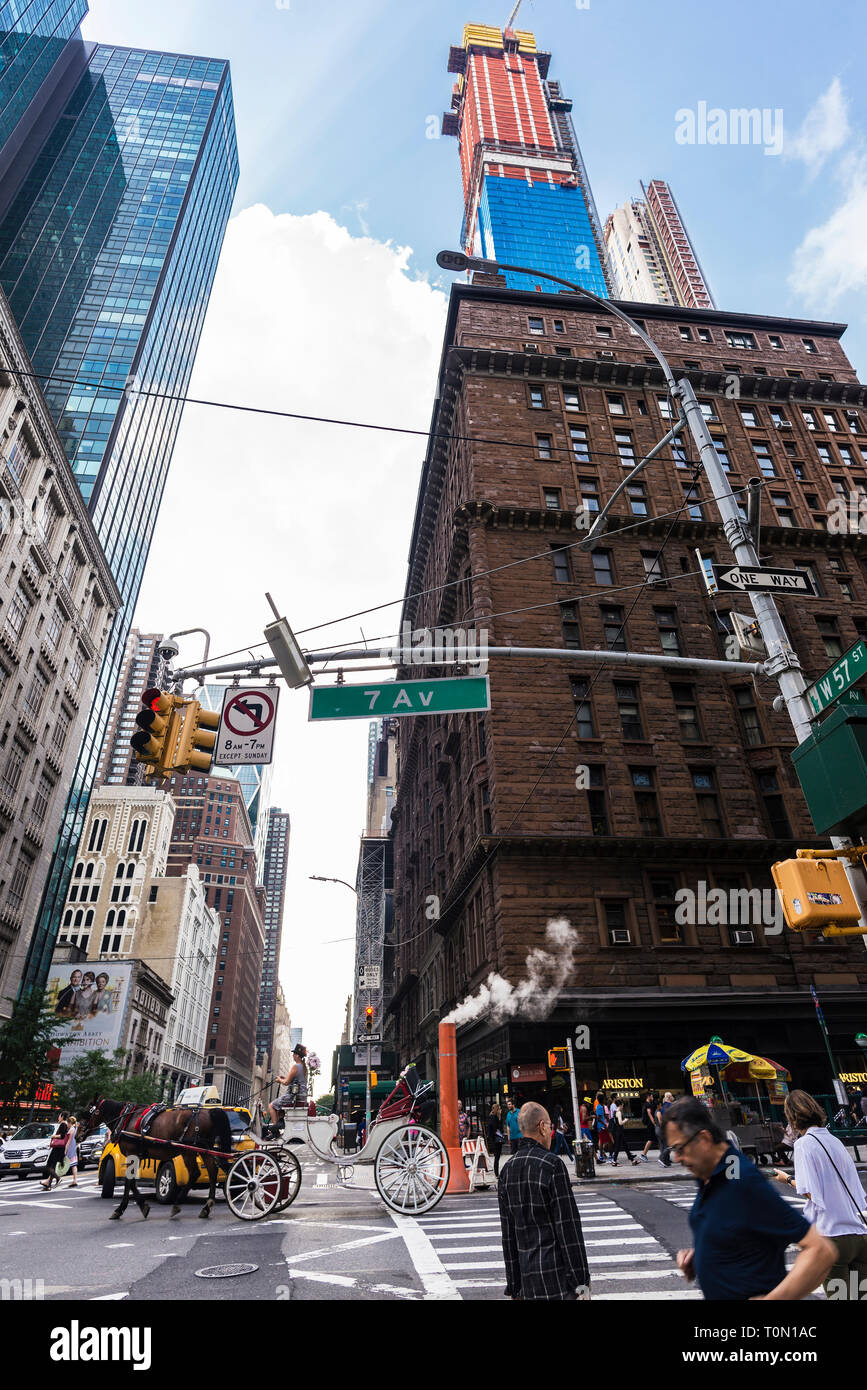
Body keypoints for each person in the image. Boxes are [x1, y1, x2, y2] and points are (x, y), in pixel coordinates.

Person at [663, 1096, 835, 1300]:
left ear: (704, 1139)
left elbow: (820, 1250)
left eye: (679, 1148)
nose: (677, 1158)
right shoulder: (711, 1173)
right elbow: (733, 1223)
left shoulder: (741, 1180)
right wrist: (705, 1252)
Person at [772, 1089, 867, 1300]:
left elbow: (811, 1193)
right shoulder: (835, 1141)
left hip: (833, 1238)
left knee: (840, 1298)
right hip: (859, 1236)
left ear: (792, 1116)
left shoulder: (804, 1145)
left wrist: (786, 1179)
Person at [497, 1101, 590, 1301]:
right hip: (557, 1281)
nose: (551, 1131)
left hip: (527, 1282)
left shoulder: (506, 1171)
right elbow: (569, 1231)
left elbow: (508, 1237)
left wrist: (514, 1288)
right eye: (549, 1126)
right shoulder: (553, 1165)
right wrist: (582, 1284)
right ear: (542, 1127)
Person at [269, 1044, 308, 1129]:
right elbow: (295, 1080)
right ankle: (281, 1123)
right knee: (279, 1107)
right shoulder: (304, 1067)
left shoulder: (296, 1066)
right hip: (302, 1096)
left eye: (294, 1054)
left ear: (297, 1055)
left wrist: (279, 1080)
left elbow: (286, 1083)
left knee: (271, 1105)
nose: (293, 1056)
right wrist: (284, 1078)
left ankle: (275, 1129)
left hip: (293, 1097)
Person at [609, 1093, 640, 1167]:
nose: (623, 1106)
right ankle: (614, 1161)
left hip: (618, 1131)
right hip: (619, 1131)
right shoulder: (618, 1112)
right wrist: (625, 1120)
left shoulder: (615, 1112)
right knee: (617, 1147)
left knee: (625, 1146)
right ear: (620, 1105)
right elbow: (620, 1123)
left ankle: (632, 1160)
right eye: (622, 1105)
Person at [40, 1116, 69, 1190]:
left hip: (58, 1149)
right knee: (52, 1167)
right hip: (59, 1148)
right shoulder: (64, 1124)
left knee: (49, 1166)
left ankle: (58, 1178)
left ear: (62, 1117)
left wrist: (53, 1136)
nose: (58, 1118)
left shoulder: (63, 1125)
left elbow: (62, 1136)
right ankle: (48, 1185)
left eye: (59, 1116)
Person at [656, 1091, 674, 1166]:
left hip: (664, 1128)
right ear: (669, 1097)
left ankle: (666, 1160)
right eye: (672, 1096)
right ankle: (662, 1159)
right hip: (668, 1128)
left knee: (666, 1145)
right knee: (669, 1145)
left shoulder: (664, 1106)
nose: (673, 1097)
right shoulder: (670, 1106)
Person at [486, 1103, 504, 1177]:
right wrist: (499, 1119)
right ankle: (496, 1173)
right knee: (497, 1157)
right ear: (497, 1109)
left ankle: (497, 1173)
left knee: (497, 1157)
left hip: (494, 1139)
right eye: (499, 1109)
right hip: (496, 1140)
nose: (501, 1110)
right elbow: (497, 1128)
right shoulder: (494, 1117)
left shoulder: (491, 1117)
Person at [593, 1091, 612, 1164]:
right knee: (609, 1141)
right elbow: (599, 1118)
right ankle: (609, 1156)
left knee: (602, 1141)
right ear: (602, 1100)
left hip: (601, 1127)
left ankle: (603, 1156)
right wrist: (605, 1125)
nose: (605, 1100)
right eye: (604, 1099)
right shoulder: (600, 1107)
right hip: (602, 1127)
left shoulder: (600, 1106)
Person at [640, 1092, 656, 1162]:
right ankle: (643, 1154)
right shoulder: (648, 1104)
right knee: (650, 1139)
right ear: (648, 1096)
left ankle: (664, 1155)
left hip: (650, 1124)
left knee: (655, 1139)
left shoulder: (647, 1104)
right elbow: (649, 1114)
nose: (652, 1097)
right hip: (650, 1124)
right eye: (651, 1096)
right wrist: (654, 1123)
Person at [64, 1116, 80, 1187]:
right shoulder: (76, 1128)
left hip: (70, 1147)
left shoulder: (71, 1129)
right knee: (74, 1165)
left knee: (64, 1164)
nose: (67, 1124)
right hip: (74, 1146)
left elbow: (68, 1141)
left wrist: (65, 1150)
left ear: (70, 1122)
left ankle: (55, 1178)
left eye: (68, 1123)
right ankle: (75, 1180)